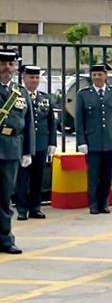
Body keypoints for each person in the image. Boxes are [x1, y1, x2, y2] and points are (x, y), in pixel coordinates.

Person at [75, 62, 112, 216]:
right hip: (93, 142)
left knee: (107, 175)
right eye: (94, 75)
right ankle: (93, 204)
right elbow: (79, 120)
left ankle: (104, 203)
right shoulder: (83, 94)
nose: (97, 77)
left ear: (106, 76)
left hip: (110, 141)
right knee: (93, 175)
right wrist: (81, 141)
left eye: (100, 74)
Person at [0, 48, 32, 254]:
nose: (7, 68)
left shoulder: (21, 93)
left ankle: (5, 239)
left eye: (11, 64)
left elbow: (28, 124)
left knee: (5, 198)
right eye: (3, 64)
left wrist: (27, 151)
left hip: (11, 150)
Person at [16, 66, 55, 220]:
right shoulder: (18, 97)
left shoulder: (45, 98)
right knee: (22, 178)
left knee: (37, 178)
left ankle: (35, 207)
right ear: (24, 78)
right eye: (31, 78)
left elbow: (52, 122)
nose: (34, 81)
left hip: (40, 144)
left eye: (37, 78)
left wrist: (52, 143)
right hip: (23, 145)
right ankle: (21, 209)